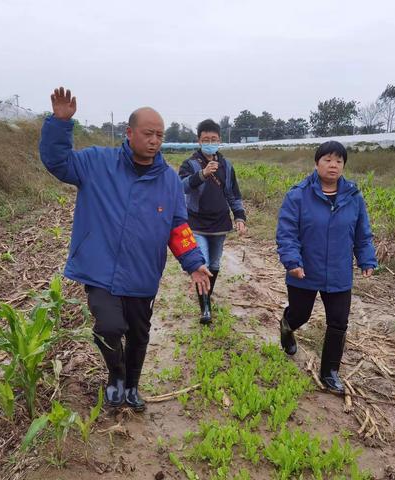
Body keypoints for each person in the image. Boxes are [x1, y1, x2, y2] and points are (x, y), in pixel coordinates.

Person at [40, 87, 211, 410]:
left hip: (142, 271)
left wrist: (193, 262)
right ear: (129, 133)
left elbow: (178, 227)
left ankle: (131, 386)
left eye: (160, 135)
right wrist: (60, 124)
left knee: (138, 334)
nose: (155, 140)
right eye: (148, 133)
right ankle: (116, 375)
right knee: (108, 326)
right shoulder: (96, 163)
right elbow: (58, 162)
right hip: (100, 266)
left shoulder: (170, 181)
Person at [276, 141, 377, 394]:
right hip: (304, 270)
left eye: (339, 161)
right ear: (316, 163)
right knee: (300, 314)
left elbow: (362, 234)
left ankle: (329, 372)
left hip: (339, 272)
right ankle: (287, 327)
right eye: (327, 160)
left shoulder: (353, 197)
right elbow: (287, 233)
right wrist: (292, 262)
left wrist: (366, 259)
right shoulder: (298, 195)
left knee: (338, 322)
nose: (333, 165)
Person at [178, 119, 247, 324]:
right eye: (206, 139)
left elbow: (233, 194)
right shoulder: (189, 164)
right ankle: (205, 308)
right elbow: (181, 187)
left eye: (214, 139)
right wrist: (203, 174)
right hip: (196, 224)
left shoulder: (227, 165)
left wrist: (240, 216)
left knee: (215, 264)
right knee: (203, 263)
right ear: (199, 141)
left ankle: (207, 294)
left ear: (220, 141)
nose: (210, 142)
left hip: (219, 224)